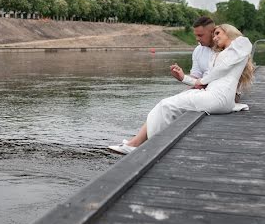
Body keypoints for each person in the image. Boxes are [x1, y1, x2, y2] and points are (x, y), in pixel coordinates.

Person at [108, 24, 254, 155]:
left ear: (229, 32)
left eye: (218, 33)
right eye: (214, 34)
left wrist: (201, 81)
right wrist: (183, 77)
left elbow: (216, 73)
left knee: (166, 105)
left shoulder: (240, 46)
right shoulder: (219, 55)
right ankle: (139, 143)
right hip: (215, 97)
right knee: (168, 104)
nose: (214, 38)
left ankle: (147, 147)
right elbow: (205, 80)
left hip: (216, 99)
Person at [169, 16, 216, 86]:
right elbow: (195, 77)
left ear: (212, 33)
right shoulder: (198, 50)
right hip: (205, 90)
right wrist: (181, 76)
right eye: (196, 35)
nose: (197, 39)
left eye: (200, 35)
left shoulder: (225, 50)